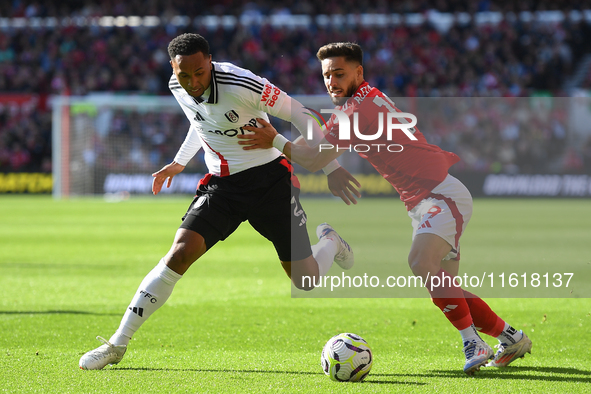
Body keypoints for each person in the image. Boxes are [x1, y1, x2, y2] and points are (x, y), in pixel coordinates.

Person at [237, 42, 533, 375]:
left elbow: (313, 157)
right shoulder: (364, 100)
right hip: (425, 201)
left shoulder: (356, 110)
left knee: (420, 262)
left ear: (358, 72)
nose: (331, 81)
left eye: (339, 73)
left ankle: (472, 341)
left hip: (440, 195)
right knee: (446, 289)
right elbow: (315, 148)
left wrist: (274, 139)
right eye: (326, 75)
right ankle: (511, 337)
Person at [79, 33, 359, 370]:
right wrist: (181, 161)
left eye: (199, 72)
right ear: (173, 68)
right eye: (185, 75)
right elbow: (200, 122)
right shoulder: (176, 84)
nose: (193, 82)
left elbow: (303, 116)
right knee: (179, 254)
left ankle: (330, 241)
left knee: (306, 279)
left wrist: (330, 166)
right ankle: (116, 344)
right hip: (222, 187)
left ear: (209, 62)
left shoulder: (242, 83)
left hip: (269, 181)